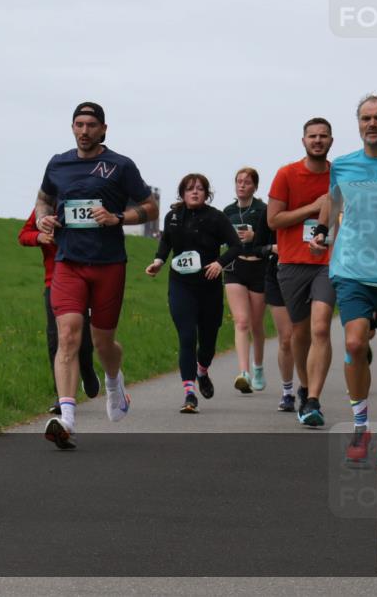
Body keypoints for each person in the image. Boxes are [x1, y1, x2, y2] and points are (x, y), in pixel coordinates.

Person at [35, 102, 159, 449]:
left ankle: (115, 381)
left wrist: (117, 218)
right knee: (69, 336)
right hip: (69, 262)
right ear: (72, 128)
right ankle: (67, 417)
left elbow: (150, 206)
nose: (84, 131)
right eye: (79, 124)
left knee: (103, 343)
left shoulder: (120, 165)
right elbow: (43, 199)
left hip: (108, 264)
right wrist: (44, 218)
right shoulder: (58, 163)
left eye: (91, 125)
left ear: (103, 129)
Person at [310, 94, 377, 465]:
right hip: (352, 270)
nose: (372, 124)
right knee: (354, 342)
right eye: (365, 118)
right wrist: (321, 230)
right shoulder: (343, 166)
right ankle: (361, 426)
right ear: (359, 124)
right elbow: (333, 201)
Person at [147, 174, 242, 412]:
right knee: (187, 337)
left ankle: (202, 370)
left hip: (208, 287)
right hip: (181, 285)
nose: (195, 192)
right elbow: (166, 242)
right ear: (182, 193)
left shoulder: (216, 217)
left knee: (208, 342)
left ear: (206, 193)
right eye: (190, 189)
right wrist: (159, 261)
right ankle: (189, 393)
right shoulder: (173, 217)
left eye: (200, 189)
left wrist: (219, 263)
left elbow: (236, 245)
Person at [267, 117, 334, 427]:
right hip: (292, 263)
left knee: (321, 328)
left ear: (331, 141)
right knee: (300, 332)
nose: (317, 141)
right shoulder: (286, 174)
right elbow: (274, 221)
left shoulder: (339, 174)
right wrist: (313, 207)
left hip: (329, 263)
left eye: (323, 136)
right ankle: (304, 386)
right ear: (303, 141)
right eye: (312, 136)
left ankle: (313, 400)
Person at [18, 210, 100, 413]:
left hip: (83, 280)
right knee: (56, 339)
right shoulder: (44, 208)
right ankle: (62, 398)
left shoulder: (85, 203)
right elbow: (23, 235)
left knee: (84, 341)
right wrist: (40, 236)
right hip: (53, 282)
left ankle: (87, 370)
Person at [222, 168, 273, 393]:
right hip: (235, 267)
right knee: (241, 321)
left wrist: (255, 237)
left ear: (255, 186)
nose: (242, 185)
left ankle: (258, 367)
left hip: (259, 266)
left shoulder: (263, 210)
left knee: (255, 324)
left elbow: (273, 240)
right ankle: (243, 373)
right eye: (239, 181)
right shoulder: (228, 211)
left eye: (247, 182)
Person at [264, 232, 298, 412]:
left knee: (306, 337)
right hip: (277, 275)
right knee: (286, 339)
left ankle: (309, 392)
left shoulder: (319, 208)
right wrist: (270, 248)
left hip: (308, 274)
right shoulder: (270, 213)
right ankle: (288, 391)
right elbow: (254, 247)